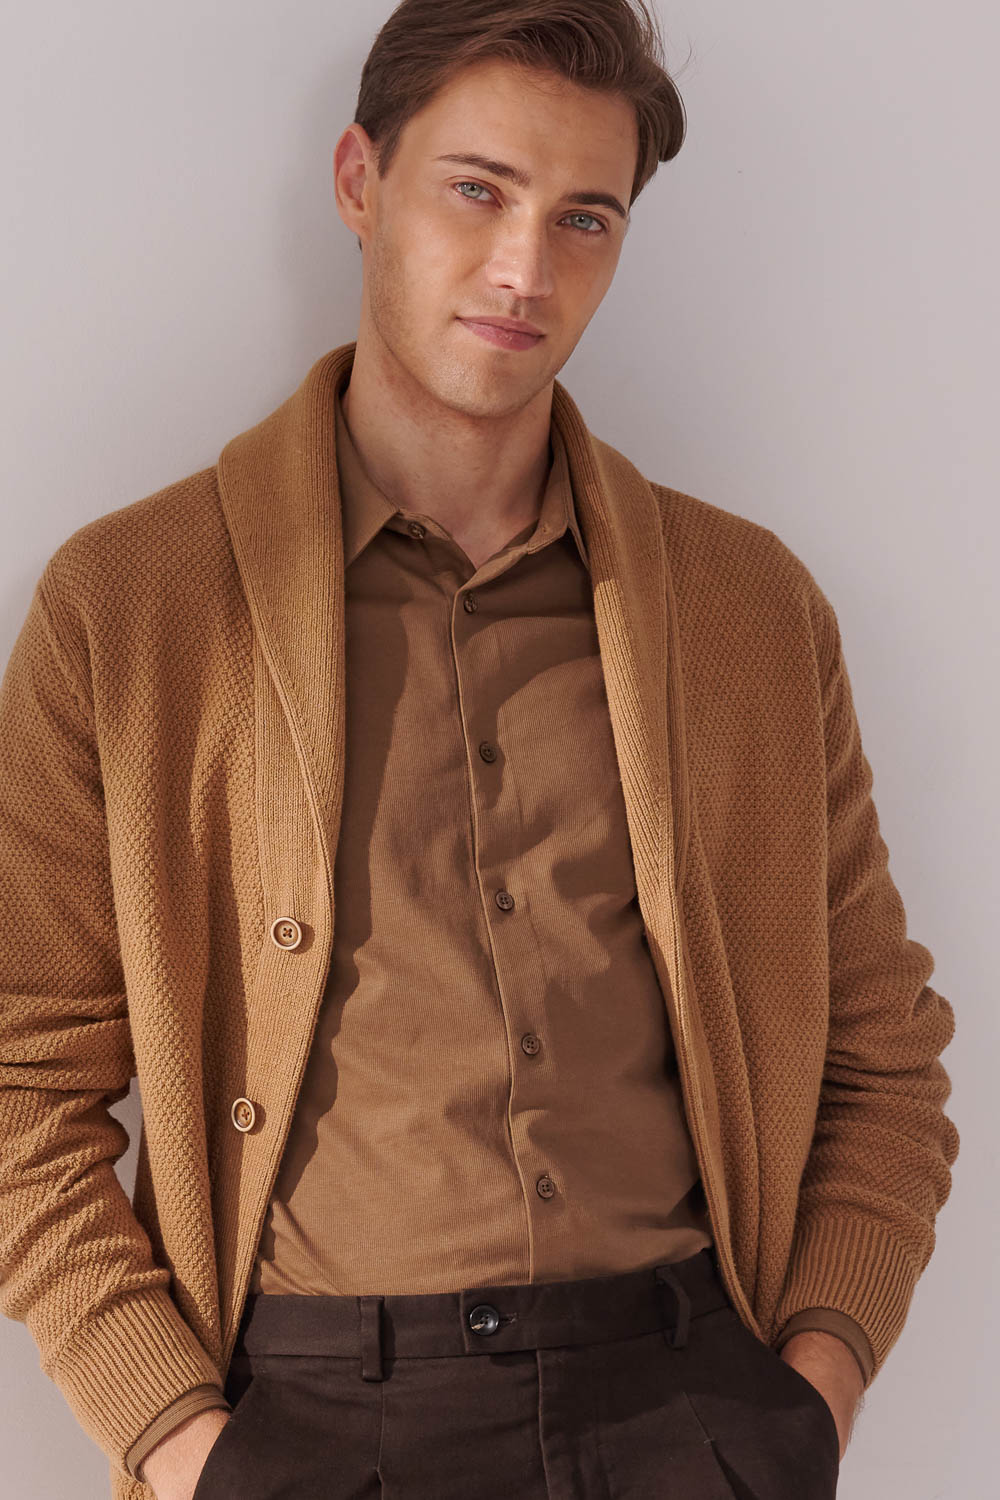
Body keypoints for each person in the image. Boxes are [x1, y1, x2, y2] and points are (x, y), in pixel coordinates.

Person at [0, 2, 959, 1497]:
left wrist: (810, 1399)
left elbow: (885, 1058)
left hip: (688, 1403)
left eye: (585, 217)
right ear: (359, 181)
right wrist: (189, 1451)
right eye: (477, 190)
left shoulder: (750, 611)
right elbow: (18, 1087)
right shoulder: (130, 609)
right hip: (311, 1423)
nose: (525, 270)